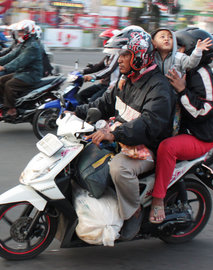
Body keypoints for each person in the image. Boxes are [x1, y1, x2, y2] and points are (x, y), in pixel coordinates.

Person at [75, 27, 175, 240]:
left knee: (119, 169)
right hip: (123, 138)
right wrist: (73, 110)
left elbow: (150, 124)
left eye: (124, 55)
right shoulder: (126, 80)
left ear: (139, 56)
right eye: (119, 55)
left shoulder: (159, 87)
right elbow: (103, 104)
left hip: (147, 147)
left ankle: (133, 213)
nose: (119, 60)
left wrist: (115, 134)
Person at [150, 28, 213, 224]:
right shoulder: (178, 69)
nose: (176, 50)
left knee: (167, 148)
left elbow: (205, 110)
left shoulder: (202, 73)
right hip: (183, 127)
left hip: (200, 135)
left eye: (180, 46)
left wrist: (183, 91)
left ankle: (157, 199)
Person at [0, 20, 43, 118]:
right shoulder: (24, 43)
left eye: (22, 31)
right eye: (19, 32)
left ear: (30, 31)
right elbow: (12, 55)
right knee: (1, 80)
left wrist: (4, 67)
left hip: (31, 74)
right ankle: (9, 101)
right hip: (23, 72)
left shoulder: (32, 46)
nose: (20, 34)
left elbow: (20, 61)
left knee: (9, 85)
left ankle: (12, 109)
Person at [77, 29, 121, 104]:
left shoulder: (117, 54)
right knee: (81, 95)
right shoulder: (109, 55)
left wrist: (93, 76)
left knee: (92, 102)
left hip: (111, 86)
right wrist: (82, 72)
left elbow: (109, 69)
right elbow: (98, 66)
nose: (105, 42)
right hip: (103, 84)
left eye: (107, 39)